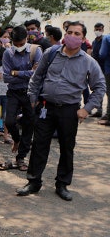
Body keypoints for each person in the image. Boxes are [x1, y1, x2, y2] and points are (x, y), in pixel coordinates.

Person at [17, 22, 105, 201]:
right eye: (70, 32)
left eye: (77, 33)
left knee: (67, 147)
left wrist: (86, 109)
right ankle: (33, 181)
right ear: (65, 34)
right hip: (45, 108)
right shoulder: (51, 53)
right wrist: (33, 99)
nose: (72, 36)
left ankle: (62, 184)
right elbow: (37, 77)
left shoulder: (89, 62)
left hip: (69, 111)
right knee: (39, 145)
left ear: (83, 38)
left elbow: (100, 87)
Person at [0, 26, 42, 172]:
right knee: (9, 120)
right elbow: (7, 78)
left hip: (30, 93)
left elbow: (38, 74)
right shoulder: (8, 53)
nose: (19, 47)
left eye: (22, 44)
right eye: (17, 44)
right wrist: (28, 72)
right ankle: (17, 139)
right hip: (13, 92)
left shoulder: (35, 51)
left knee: (29, 124)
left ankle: (21, 157)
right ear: (12, 41)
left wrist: (16, 73)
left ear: (26, 39)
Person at [90, 23, 105, 117]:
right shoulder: (94, 42)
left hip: (105, 68)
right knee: (96, 89)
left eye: (99, 29)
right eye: (96, 29)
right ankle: (99, 110)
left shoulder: (105, 41)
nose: (98, 31)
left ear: (103, 30)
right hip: (96, 69)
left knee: (105, 90)